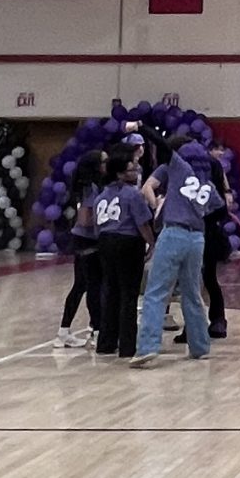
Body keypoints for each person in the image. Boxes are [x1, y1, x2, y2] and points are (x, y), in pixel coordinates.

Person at [132, 139, 224, 366]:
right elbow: (219, 206)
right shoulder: (208, 185)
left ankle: (147, 347)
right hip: (197, 238)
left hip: (173, 232)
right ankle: (200, 346)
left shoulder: (177, 168)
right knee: (192, 293)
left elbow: (148, 187)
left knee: (156, 292)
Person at [90, 154, 153, 361]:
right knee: (129, 294)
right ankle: (127, 346)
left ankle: (106, 343)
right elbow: (142, 223)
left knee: (110, 290)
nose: (136, 173)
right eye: (131, 170)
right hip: (127, 242)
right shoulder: (132, 195)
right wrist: (151, 244)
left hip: (105, 242)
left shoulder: (100, 196)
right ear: (119, 174)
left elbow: (96, 225)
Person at [55, 153, 106, 347]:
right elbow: (84, 219)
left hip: (83, 239)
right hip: (87, 240)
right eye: (104, 162)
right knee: (92, 285)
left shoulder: (89, 186)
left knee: (81, 285)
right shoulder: (90, 188)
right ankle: (96, 330)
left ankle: (64, 331)